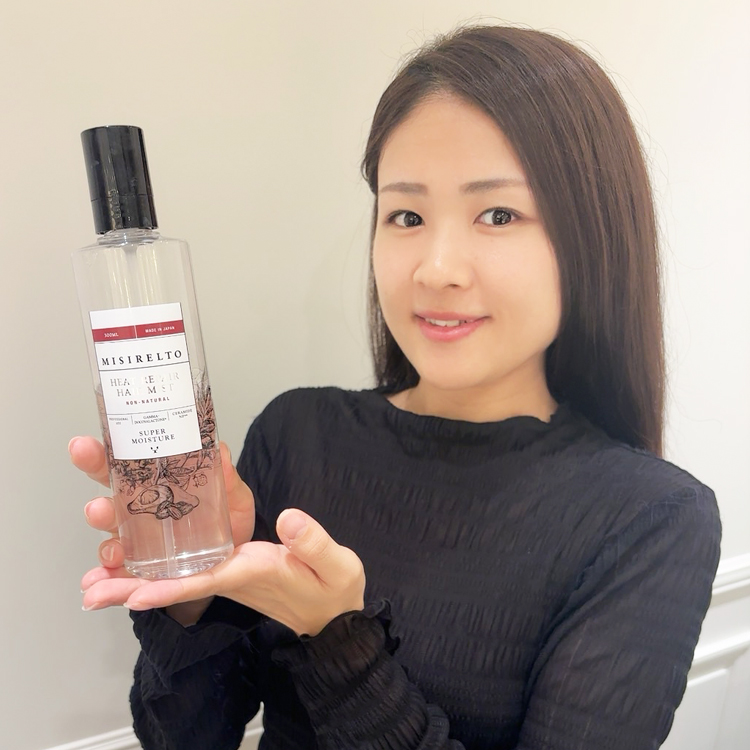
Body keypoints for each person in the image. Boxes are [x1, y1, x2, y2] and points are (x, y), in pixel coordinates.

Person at [71, 24, 721, 750]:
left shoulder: (650, 520)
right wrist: (191, 598)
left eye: (498, 214)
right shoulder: (298, 433)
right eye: (407, 215)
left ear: (591, 238)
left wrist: (336, 639)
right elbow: (183, 739)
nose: (437, 269)